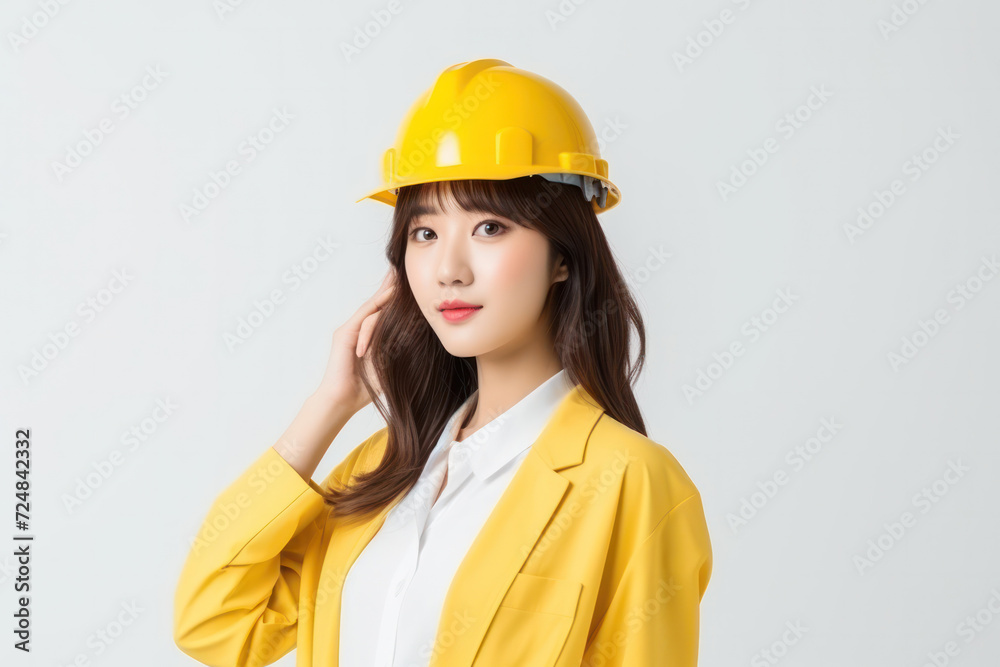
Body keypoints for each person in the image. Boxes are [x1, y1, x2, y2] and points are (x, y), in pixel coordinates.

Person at [173, 59, 712, 667]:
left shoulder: (631, 481)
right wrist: (327, 407)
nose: (448, 269)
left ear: (563, 256)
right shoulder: (382, 468)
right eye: (424, 233)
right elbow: (214, 624)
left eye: (489, 227)